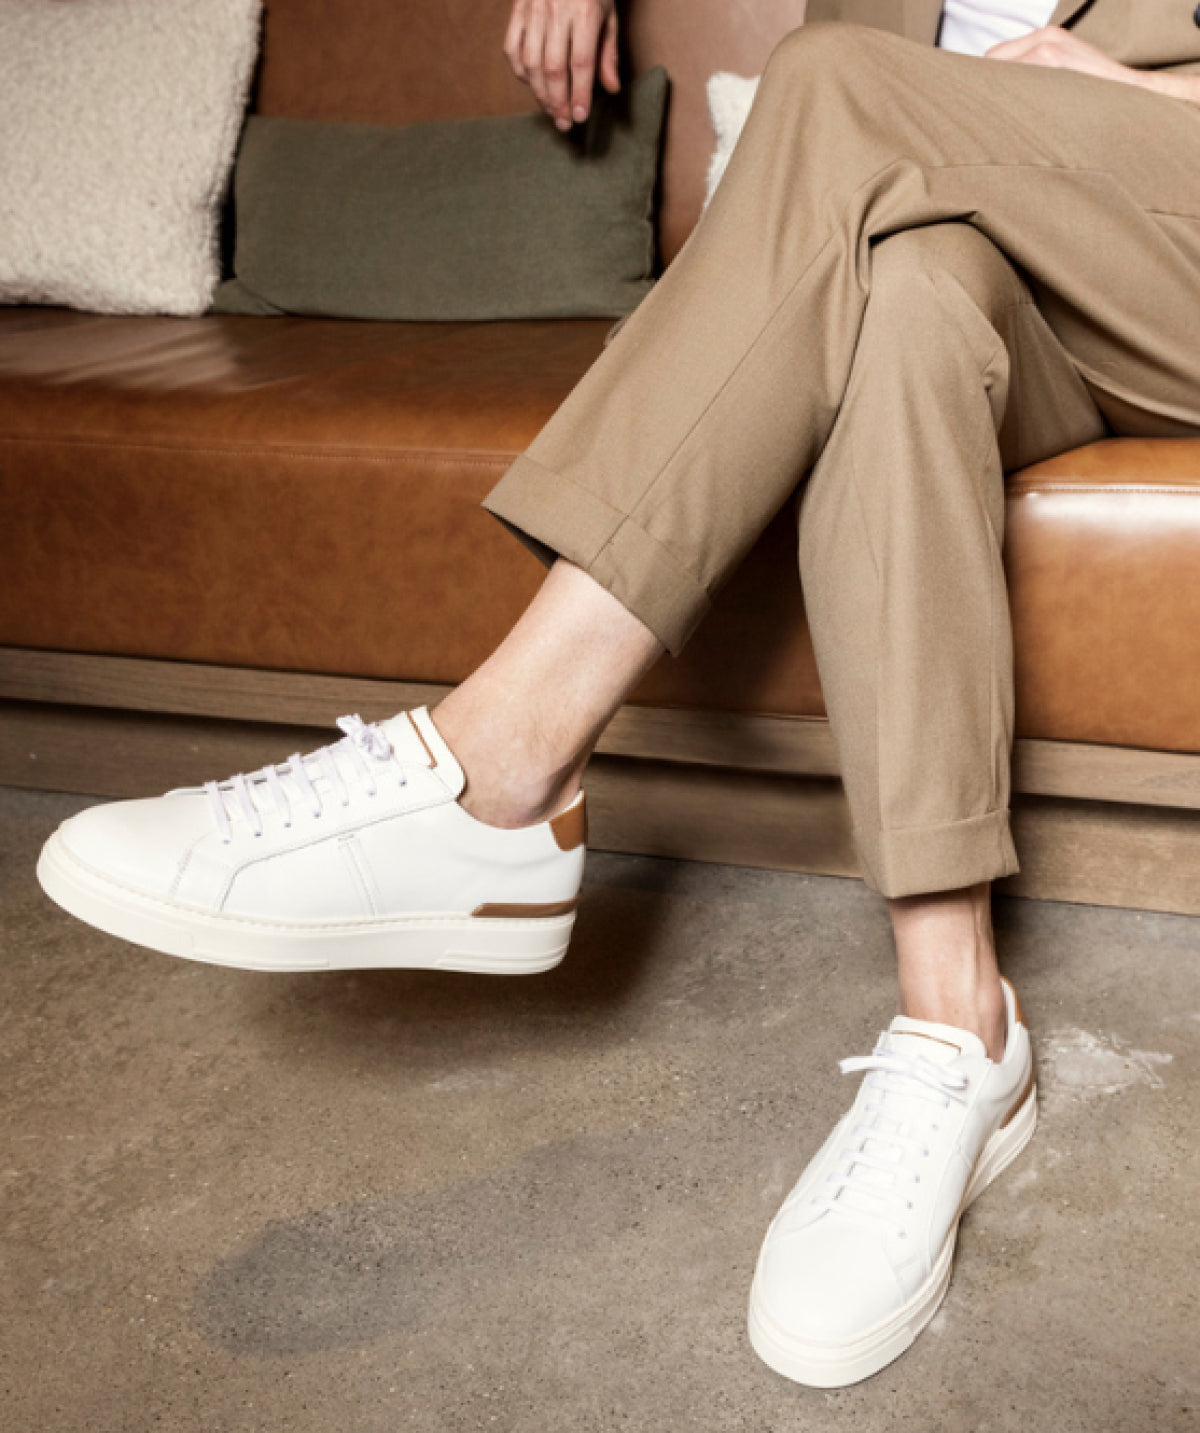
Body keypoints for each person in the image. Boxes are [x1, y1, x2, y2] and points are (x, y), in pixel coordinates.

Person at [36, 0, 1200, 1389]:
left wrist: (1142, 100)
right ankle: (960, 1027)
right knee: (903, 305)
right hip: (978, 238)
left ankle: (501, 762)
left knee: (834, 81)